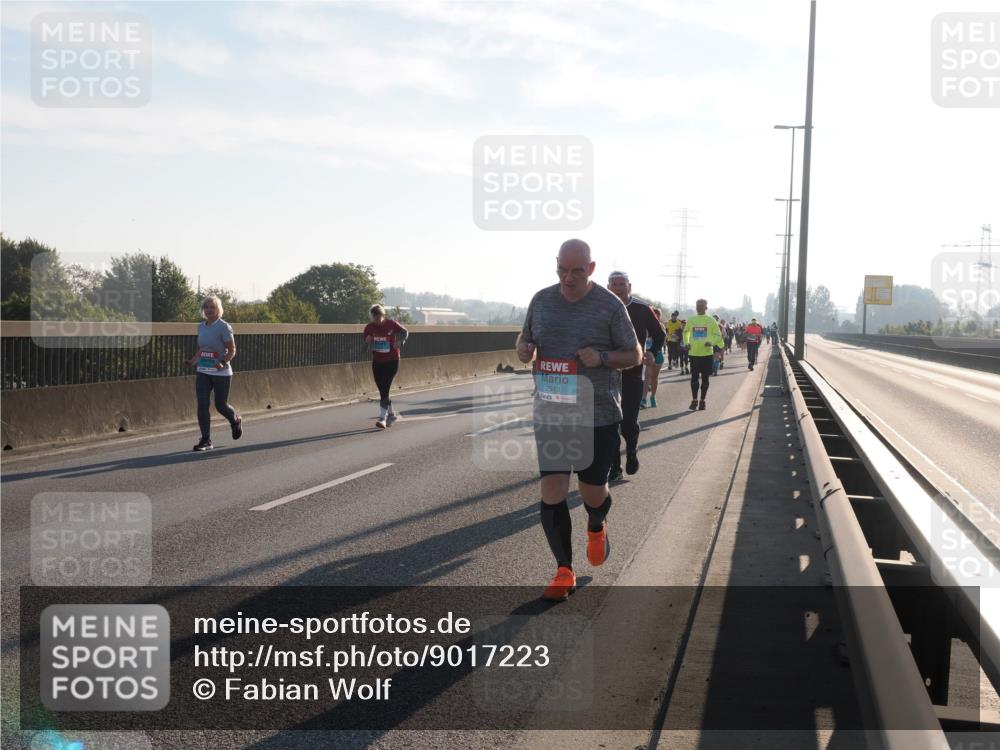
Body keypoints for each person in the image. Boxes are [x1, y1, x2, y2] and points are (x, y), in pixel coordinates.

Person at [517, 239, 641, 601]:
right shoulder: (541, 301)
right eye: (562, 270)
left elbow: (633, 355)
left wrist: (602, 357)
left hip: (597, 414)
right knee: (552, 489)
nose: (568, 278)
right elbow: (525, 342)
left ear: (591, 268)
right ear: (556, 265)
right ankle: (563, 570)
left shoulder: (609, 306)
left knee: (592, 490)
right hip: (552, 412)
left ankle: (597, 524)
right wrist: (523, 350)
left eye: (576, 271)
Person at [606, 271, 664, 480]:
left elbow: (660, 334)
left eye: (622, 284)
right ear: (608, 286)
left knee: (628, 422)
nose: (618, 287)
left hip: (632, 373)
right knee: (610, 422)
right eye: (614, 284)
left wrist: (651, 351)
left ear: (629, 286)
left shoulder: (641, 309)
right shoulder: (601, 307)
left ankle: (631, 450)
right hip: (606, 374)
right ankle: (615, 466)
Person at [186, 295, 242, 452]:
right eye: (206, 307)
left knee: (220, 405)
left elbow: (232, 350)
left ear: (218, 310)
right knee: (202, 404)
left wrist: (223, 362)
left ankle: (235, 420)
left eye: (212, 307)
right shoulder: (201, 326)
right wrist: (193, 361)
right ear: (203, 310)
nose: (209, 310)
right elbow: (203, 349)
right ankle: (205, 439)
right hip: (203, 370)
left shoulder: (224, 327)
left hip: (221, 372)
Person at [364, 304, 409, 429]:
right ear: (372, 317)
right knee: (382, 390)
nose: (377, 320)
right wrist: (367, 342)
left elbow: (405, 332)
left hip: (392, 360)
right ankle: (391, 414)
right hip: (377, 361)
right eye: (374, 318)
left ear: (383, 315)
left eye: (379, 317)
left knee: (385, 387)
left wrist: (401, 342)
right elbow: (365, 347)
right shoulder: (369, 327)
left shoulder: (391, 324)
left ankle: (382, 418)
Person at [684, 299, 725, 411]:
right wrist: (687, 342)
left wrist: (711, 342)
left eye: (702, 305)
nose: (699, 307)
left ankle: (702, 400)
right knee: (694, 377)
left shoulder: (711, 321)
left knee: (705, 378)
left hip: (706, 354)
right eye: (698, 305)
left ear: (706, 307)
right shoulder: (691, 320)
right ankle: (694, 400)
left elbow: (718, 336)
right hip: (693, 353)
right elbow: (686, 332)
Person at [643, 307, 666, 409]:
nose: (655, 317)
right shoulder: (644, 325)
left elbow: (663, 341)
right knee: (647, 377)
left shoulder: (661, 327)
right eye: (653, 315)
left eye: (657, 315)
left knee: (654, 378)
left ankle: (652, 397)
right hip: (647, 354)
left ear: (659, 317)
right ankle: (643, 399)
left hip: (658, 354)